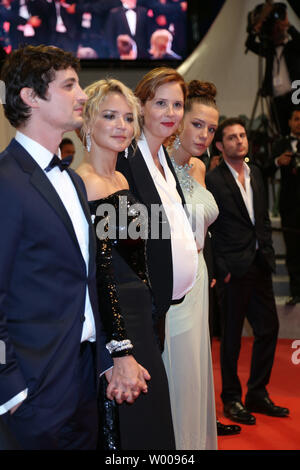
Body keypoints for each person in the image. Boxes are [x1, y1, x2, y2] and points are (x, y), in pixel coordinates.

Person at [0, 44, 124, 450]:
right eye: (70, 85)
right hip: (33, 392)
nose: (83, 95)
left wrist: (105, 360)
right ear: (30, 97)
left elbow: (84, 282)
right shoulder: (5, 181)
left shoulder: (72, 181)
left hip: (84, 380)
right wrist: (11, 388)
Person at [76, 78, 175, 450]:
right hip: (116, 325)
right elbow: (98, 273)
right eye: (110, 116)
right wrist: (119, 349)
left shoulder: (121, 177)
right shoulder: (81, 184)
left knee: (153, 426)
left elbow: (139, 257)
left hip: (142, 321)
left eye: (129, 117)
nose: (122, 125)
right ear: (87, 123)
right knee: (124, 431)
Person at [163, 80, 241, 449]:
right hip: (172, 286)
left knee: (196, 373)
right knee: (175, 372)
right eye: (197, 124)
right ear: (178, 120)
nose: (205, 134)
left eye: (211, 128)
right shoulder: (155, 165)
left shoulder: (198, 167)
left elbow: (203, 230)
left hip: (199, 280)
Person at [206, 117, 289, 425]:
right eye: (231, 137)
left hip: (259, 265)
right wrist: (222, 268)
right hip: (232, 271)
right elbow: (210, 227)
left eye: (242, 136)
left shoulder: (255, 175)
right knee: (231, 338)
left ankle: (257, 392)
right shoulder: (213, 180)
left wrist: (266, 250)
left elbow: (262, 220)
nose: (239, 141)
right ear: (220, 145)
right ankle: (231, 398)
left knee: (269, 330)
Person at [117, 68, 199, 356]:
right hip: (139, 309)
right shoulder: (125, 159)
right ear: (141, 106)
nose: (171, 113)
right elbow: (118, 245)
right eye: (160, 103)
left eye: (177, 105)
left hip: (164, 305)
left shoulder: (164, 156)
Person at [245, 2, 300, 135]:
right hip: (276, 97)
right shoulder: (268, 50)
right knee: (282, 131)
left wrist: (288, 25)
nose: (276, 31)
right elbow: (250, 44)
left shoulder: (292, 47)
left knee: (297, 125)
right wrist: (256, 29)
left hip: (295, 94)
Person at [270, 107, 300, 305]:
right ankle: (295, 292)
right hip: (290, 208)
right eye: (296, 119)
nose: (299, 123)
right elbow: (263, 169)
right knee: (293, 253)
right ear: (289, 122)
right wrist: (277, 162)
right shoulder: (280, 144)